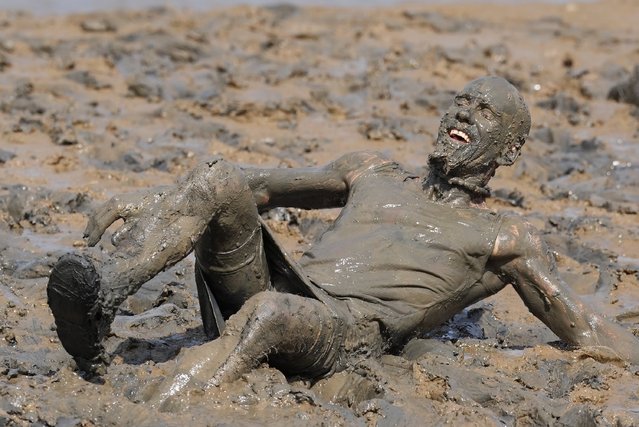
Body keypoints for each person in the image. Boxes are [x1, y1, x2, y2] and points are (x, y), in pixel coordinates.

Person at [47, 76, 639, 407]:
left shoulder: (507, 237)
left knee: (272, 313)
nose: (464, 113)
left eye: (486, 112)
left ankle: (157, 406)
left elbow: (584, 328)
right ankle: (102, 295)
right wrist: (153, 202)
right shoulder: (372, 171)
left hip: (340, 334)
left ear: (508, 151)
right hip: (285, 287)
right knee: (218, 178)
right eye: (461, 101)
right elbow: (254, 186)